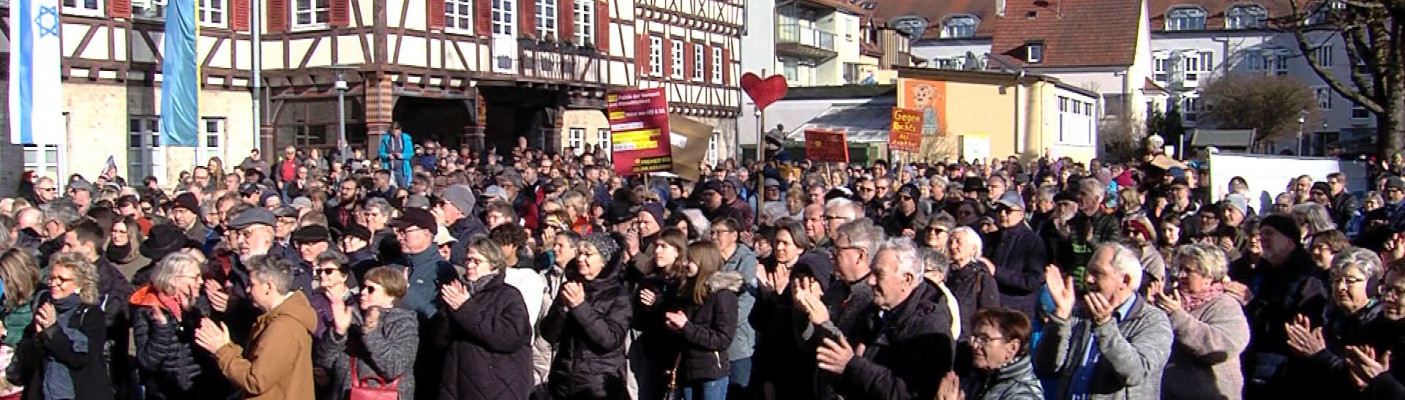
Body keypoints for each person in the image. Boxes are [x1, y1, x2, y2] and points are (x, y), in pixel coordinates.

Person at [809, 238, 954, 400]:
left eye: (879, 274)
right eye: (871, 272)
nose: (870, 281)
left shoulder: (930, 327)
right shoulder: (874, 313)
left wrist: (853, 365)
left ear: (906, 280)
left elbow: (910, 393)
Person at [1035, 243, 1173, 400]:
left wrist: (1105, 326)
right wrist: (1060, 318)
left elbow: (1135, 373)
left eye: (1098, 273)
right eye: (1089, 272)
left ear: (1125, 280)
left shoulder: (1151, 321)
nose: (1088, 279)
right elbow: (1046, 366)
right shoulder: (1082, 313)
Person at [195, 255, 317, 400]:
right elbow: (256, 363)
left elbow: (256, 380)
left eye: (252, 284)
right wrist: (227, 346)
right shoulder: (272, 320)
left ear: (268, 287)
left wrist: (222, 351)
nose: (247, 290)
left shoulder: (283, 327)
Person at [434, 237, 533, 400]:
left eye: (477, 261)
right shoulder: (459, 294)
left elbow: (509, 337)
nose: (469, 265)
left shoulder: (508, 295)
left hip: (495, 386)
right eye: (468, 260)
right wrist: (447, 312)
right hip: (457, 383)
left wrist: (465, 308)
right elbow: (440, 341)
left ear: (493, 265)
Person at [539, 233, 631, 400]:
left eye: (588, 254)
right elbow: (549, 334)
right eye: (579, 254)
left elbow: (610, 339)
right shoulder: (571, 286)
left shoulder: (618, 294)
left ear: (603, 261)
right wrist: (562, 308)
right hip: (563, 380)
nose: (581, 259)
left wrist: (580, 306)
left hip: (598, 384)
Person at [1283, 247, 1385, 398]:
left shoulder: (1380, 325)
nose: (1341, 287)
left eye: (1350, 281)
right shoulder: (1326, 319)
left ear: (1372, 285)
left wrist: (1319, 355)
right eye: (1336, 280)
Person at [1154, 244, 1250, 400]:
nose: (1180, 275)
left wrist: (1177, 317)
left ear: (1208, 277)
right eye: (1180, 269)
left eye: (1188, 271)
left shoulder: (1225, 305)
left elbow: (1220, 348)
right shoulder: (1172, 299)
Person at [9, 252, 111, 400]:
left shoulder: (91, 315)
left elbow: (79, 359)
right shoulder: (44, 309)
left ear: (80, 284)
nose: (54, 283)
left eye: (61, 279)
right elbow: (30, 362)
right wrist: (38, 338)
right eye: (52, 278)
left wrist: (52, 330)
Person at [130, 252, 229, 398]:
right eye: (195, 277)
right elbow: (147, 362)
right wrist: (162, 328)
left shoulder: (201, 305)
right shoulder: (148, 310)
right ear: (173, 280)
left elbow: (211, 352)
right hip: (166, 392)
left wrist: (192, 316)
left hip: (203, 388)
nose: (200, 281)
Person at [319, 266, 419, 400]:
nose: (363, 292)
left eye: (371, 289)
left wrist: (370, 332)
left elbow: (394, 368)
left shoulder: (404, 323)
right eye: (363, 287)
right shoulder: (351, 316)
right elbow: (324, 362)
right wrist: (338, 333)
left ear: (391, 294)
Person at [664, 241, 740, 400]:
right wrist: (677, 328)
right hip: (688, 370)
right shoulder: (688, 291)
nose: (685, 264)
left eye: (690, 260)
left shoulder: (723, 295)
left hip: (710, 372)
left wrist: (686, 327)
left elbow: (723, 339)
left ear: (704, 262)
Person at [935, 308, 1044, 400]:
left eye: (984, 339)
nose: (975, 345)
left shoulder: (1022, 394)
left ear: (1012, 348)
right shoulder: (973, 378)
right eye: (975, 337)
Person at [947, 226, 1000, 340]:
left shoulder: (982, 277)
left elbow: (990, 314)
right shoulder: (946, 275)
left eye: (958, 242)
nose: (952, 246)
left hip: (967, 339)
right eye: (950, 242)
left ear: (973, 248)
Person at [380, 123, 415, 188]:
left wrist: (403, 156)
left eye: (396, 130)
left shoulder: (406, 138)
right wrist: (387, 156)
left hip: (402, 169)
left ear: (400, 130)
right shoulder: (386, 139)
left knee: (403, 187)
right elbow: (381, 153)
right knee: (389, 187)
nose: (395, 132)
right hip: (389, 168)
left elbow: (411, 153)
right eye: (393, 130)